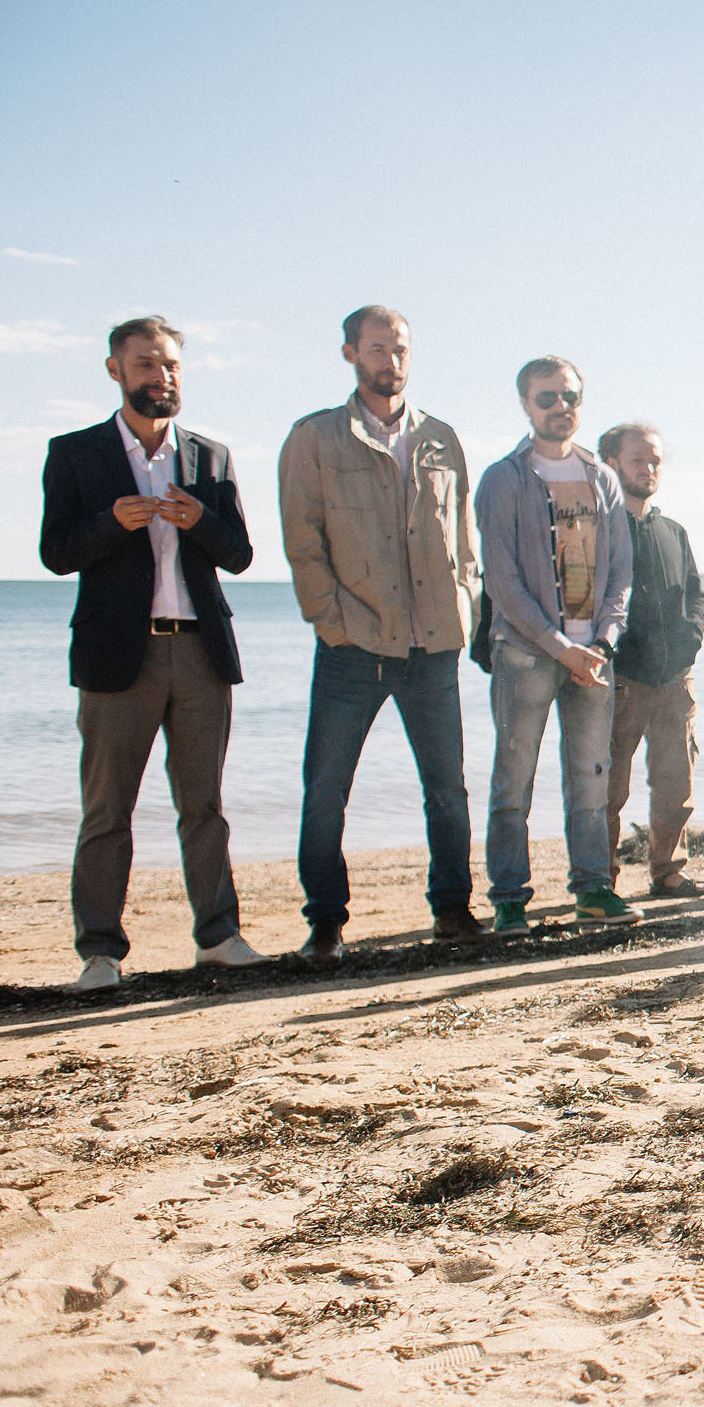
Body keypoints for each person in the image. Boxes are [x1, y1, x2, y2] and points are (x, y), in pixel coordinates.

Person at [38, 316, 267, 990]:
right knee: (108, 809)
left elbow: (242, 555)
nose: (159, 377)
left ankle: (219, 936)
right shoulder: (76, 452)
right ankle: (101, 952)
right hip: (118, 657)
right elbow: (55, 553)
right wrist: (112, 522)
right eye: (145, 365)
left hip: (200, 652)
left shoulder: (210, 457)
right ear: (116, 370)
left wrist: (200, 522)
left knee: (205, 805)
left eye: (169, 365)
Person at [278, 305, 487, 965]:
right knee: (326, 789)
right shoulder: (313, 439)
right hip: (354, 647)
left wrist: (466, 608)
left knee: (447, 787)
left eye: (398, 349)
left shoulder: (443, 438)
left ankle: (454, 909)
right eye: (376, 349)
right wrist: (332, 621)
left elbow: (462, 541)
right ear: (350, 354)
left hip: (434, 646)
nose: (389, 361)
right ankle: (326, 923)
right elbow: (302, 543)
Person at [473, 356, 638, 936]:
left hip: (594, 654)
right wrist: (558, 645)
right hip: (525, 653)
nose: (559, 408)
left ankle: (593, 890)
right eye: (547, 398)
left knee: (591, 776)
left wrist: (603, 641)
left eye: (569, 397)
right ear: (525, 402)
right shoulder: (503, 479)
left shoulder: (603, 478)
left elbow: (621, 571)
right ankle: (509, 898)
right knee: (513, 778)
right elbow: (503, 580)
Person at [598, 422, 704, 900]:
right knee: (608, 789)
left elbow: (695, 596)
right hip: (620, 680)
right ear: (612, 463)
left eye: (655, 461)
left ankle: (668, 871)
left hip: (674, 680)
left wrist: (691, 642)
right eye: (638, 459)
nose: (648, 469)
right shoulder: (600, 529)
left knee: (675, 782)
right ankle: (600, 878)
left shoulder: (673, 531)